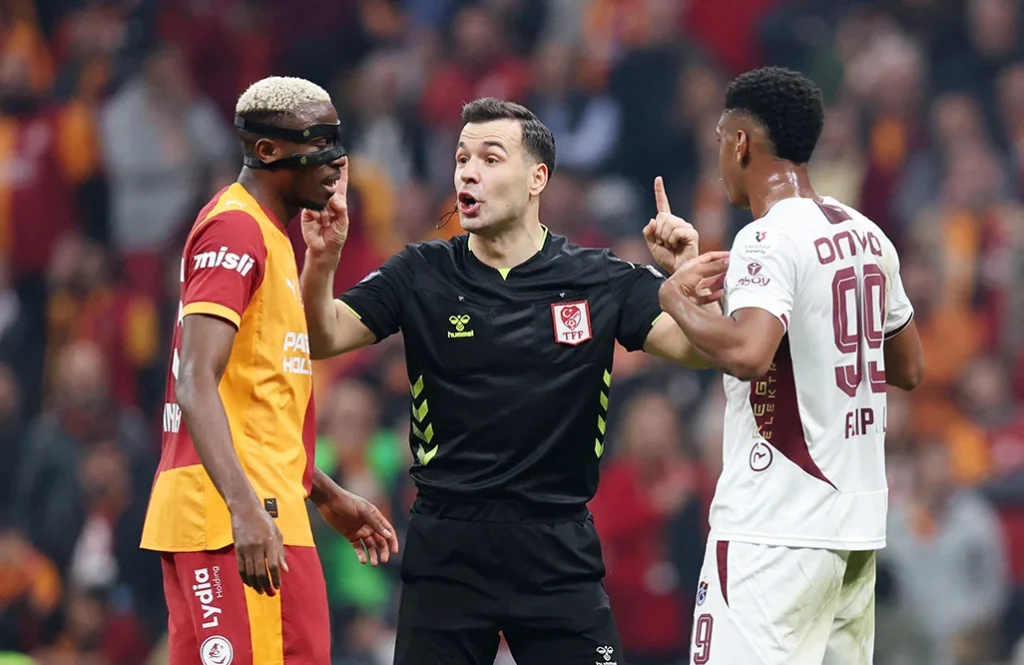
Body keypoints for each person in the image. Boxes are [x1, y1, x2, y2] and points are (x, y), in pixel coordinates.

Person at [299, 97, 727, 665]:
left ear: (536, 178)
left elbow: (700, 350)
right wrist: (322, 260)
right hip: (447, 552)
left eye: (490, 158)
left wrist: (687, 280)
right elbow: (322, 336)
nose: (468, 172)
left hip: (558, 552)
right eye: (461, 159)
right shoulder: (421, 272)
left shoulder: (599, 279)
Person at [657, 66, 927, 665]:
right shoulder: (867, 234)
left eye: (720, 141)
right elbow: (908, 367)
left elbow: (749, 354)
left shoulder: (766, 237)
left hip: (773, 531)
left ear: (741, 143)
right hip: (853, 535)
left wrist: (673, 296)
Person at [139, 76, 398, 665]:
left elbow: (257, 400)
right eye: (320, 142)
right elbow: (194, 380)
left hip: (268, 508)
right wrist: (244, 509)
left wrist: (322, 492)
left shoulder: (274, 238)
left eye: (339, 140)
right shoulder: (234, 228)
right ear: (268, 150)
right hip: (233, 518)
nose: (338, 160)